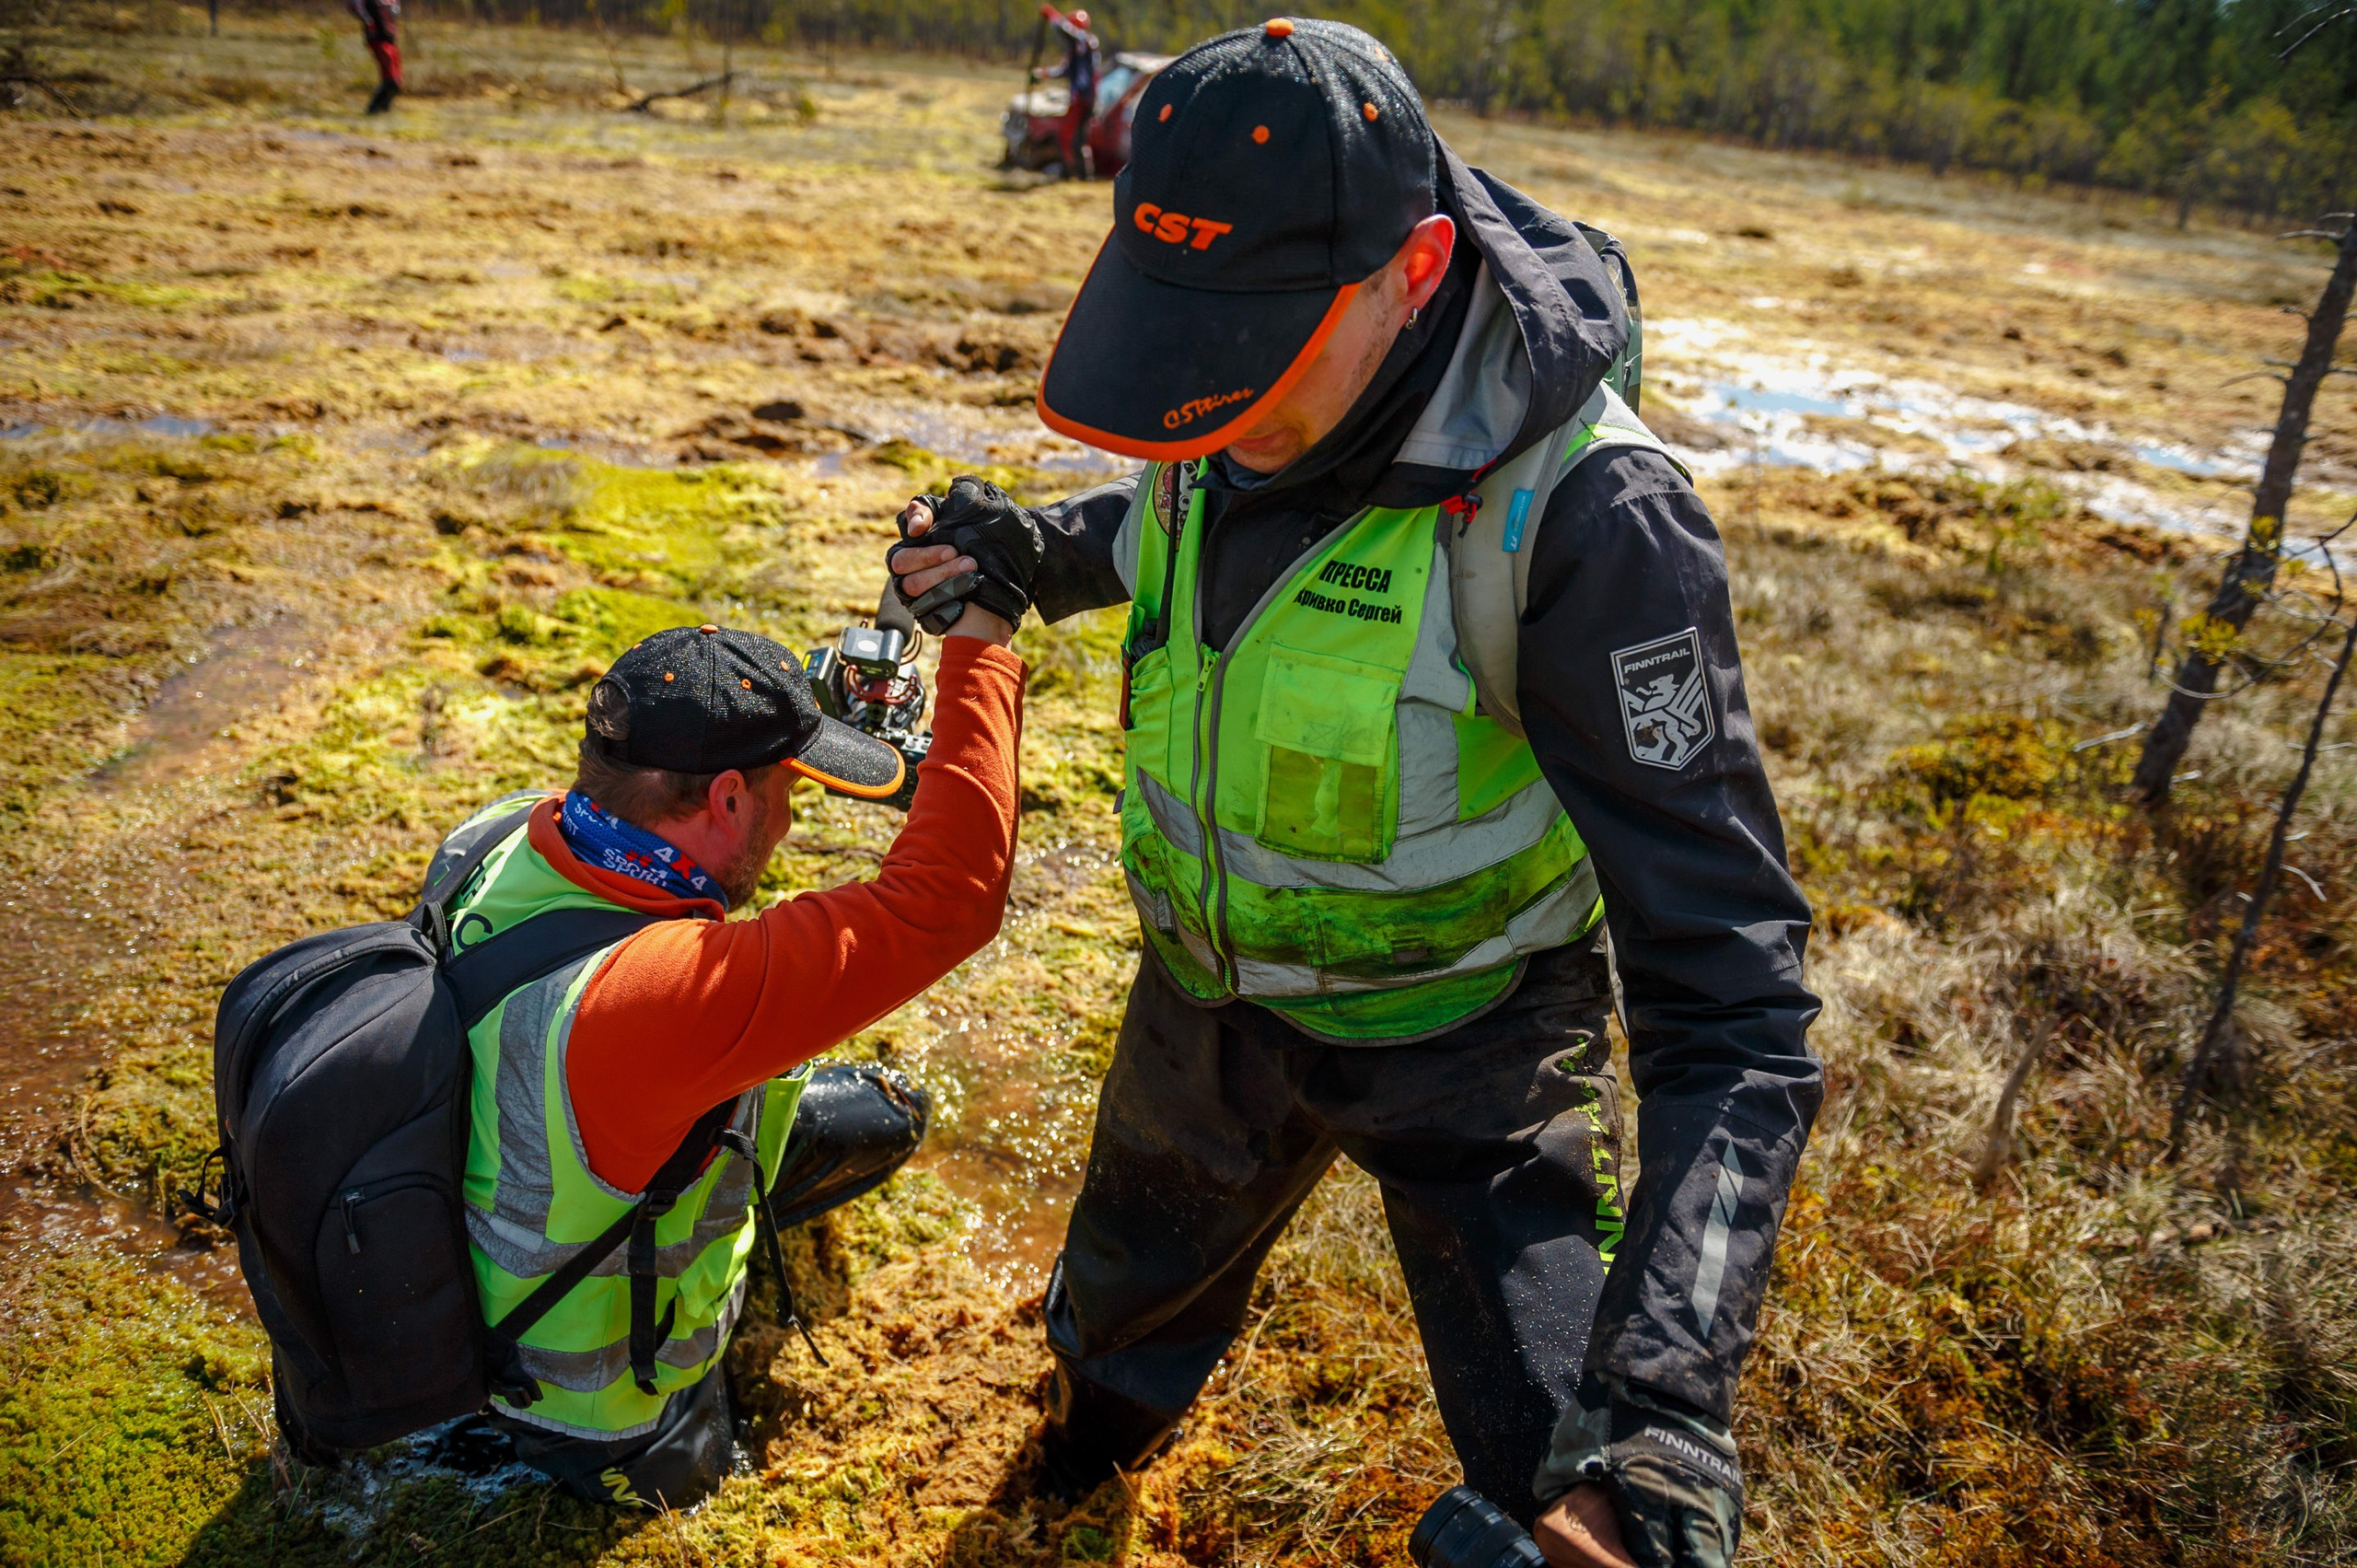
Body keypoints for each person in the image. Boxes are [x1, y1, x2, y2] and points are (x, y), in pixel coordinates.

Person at [887, 18, 1818, 1568]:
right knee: (1118, 1312)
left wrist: (1667, 1399)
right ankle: (1080, 1462)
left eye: (1247, 360)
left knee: (1558, 1474)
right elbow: (1194, 516)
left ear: (1417, 265)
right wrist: (1040, 556)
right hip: (1207, 1005)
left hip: (1473, 1050)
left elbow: (1737, 1000)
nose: (1207, 408)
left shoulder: (1593, 518)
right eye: (1184, 355)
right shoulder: (1236, 389)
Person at [430, 610, 1022, 1508]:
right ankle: (639, 1471)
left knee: (874, 1114)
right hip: (594, 1397)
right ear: (727, 800)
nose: (789, 821)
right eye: (786, 792)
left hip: (493, 1233)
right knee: (702, 1486)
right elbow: (952, 897)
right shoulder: (664, 1002)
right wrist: (984, 641)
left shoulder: (501, 837)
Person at [1035, 6, 1101, 180]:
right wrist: (1044, 73)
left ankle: (1081, 175)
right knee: (1071, 137)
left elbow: (1068, 33)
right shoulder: (1076, 51)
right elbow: (1065, 70)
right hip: (1079, 98)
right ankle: (1073, 173)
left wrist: (1053, 17)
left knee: (1071, 136)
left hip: (1084, 98)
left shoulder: (1086, 42)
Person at [349, 0, 402, 115]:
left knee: (397, 80)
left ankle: (384, 111)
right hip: (377, 39)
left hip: (389, 38)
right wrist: (369, 21)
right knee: (391, 79)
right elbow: (355, 7)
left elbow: (394, 10)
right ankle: (372, 111)